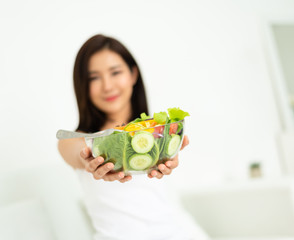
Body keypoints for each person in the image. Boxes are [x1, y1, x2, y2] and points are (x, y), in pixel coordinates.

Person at [58, 34, 193, 240]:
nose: (107, 86)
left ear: (133, 74)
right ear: (83, 85)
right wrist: (90, 157)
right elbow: (76, 152)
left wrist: (169, 150)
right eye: (94, 77)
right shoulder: (77, 140)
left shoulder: (158, 134)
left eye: (115, 72)